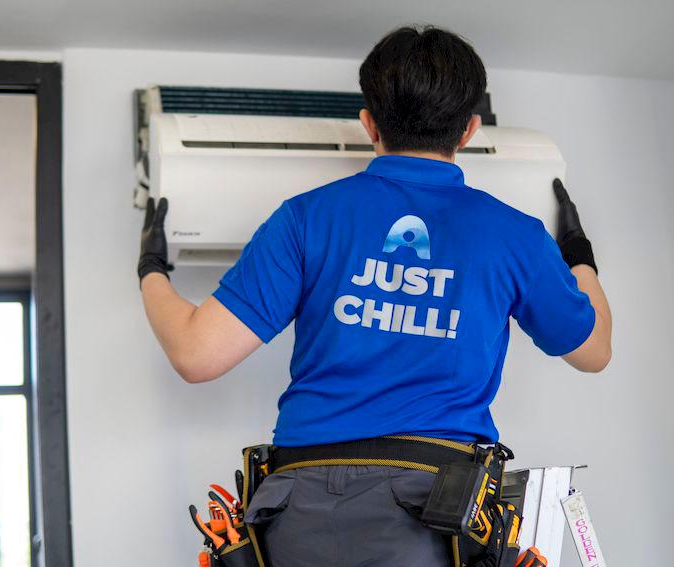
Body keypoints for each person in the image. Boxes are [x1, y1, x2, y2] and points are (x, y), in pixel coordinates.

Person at [138, 25, 612, 567]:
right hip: (438, 513)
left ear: (368, 123)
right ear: (470, 130)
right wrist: (578, 253)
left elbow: (195, 354)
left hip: (300, 508)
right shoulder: (515, 234)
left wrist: (152, 270)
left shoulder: (306, 218)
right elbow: (593, 351)